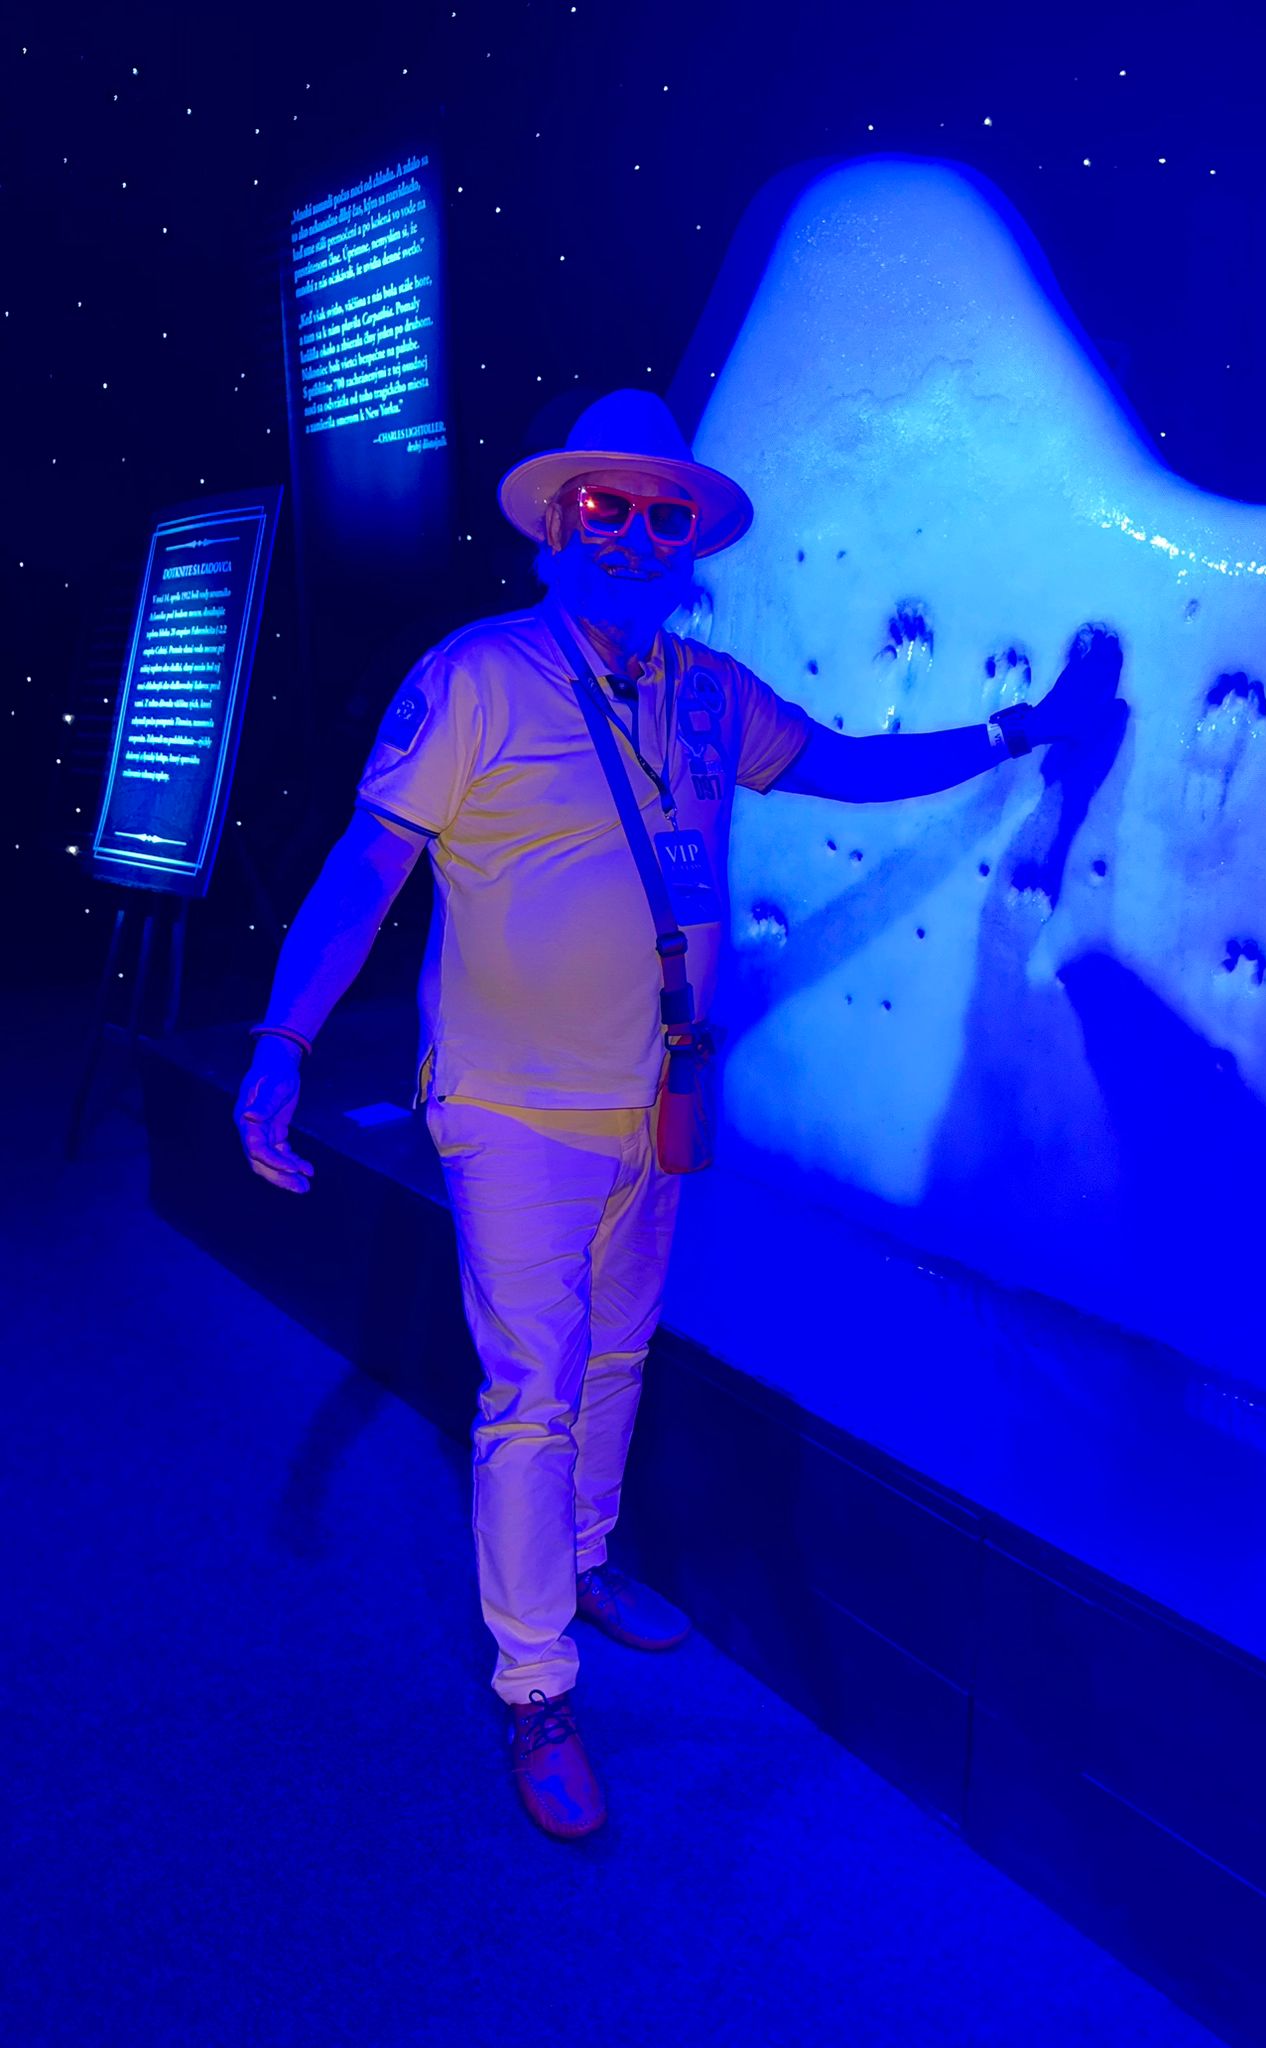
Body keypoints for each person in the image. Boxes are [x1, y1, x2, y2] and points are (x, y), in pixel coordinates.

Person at [233, 388, 1120, 1841]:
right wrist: (283, 1038)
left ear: (691, 541)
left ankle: (581, 1558)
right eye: (609, 506)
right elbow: (363, 872)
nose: (639, 533)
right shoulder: (475, 677)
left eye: (667, 514)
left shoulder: (709, 692)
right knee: (531, 1387)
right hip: (511, 1108)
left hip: (657, 1098)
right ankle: (535, 1686)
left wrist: (1021, 730)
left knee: (619, 1348)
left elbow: (852, 765)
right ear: (554, 521)